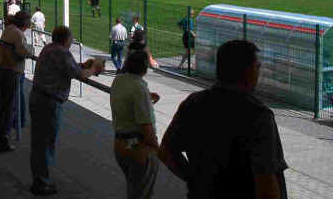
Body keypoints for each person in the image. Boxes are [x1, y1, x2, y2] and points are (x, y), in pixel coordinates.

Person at [159, 40, 288, 199]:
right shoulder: (258, 115)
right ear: (247, 71)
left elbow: (166, 150)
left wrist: (194, 180)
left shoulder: (193, 103)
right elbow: (267, 181)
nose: (259, 71)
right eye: (257, 66)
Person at [29, 26, 104, 195]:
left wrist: (83, 65)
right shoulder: (62, 52)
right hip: (49, 102)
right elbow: (81, 75)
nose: (72, 41)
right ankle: (42, 183)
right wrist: (94, 68)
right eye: (71, 38)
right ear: (66, 39)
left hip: (38, 97)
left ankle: (38, 179)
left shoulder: (49, 48)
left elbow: (68, 69)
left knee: (39, 142)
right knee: (46, 143)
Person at [110, 50, 161, 199]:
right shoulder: (139, 88)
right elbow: (146, 128)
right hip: (138, 146)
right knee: (141, 193)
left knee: (135, 189)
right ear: (144, 68)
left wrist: (147, 96)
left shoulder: (118, 80)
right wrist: (157, 149)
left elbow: (127, 99)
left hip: (121, 144)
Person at [0, 11, 36, 152]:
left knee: (4, 108)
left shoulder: (9, 29)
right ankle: (0, 141)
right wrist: (32, 49)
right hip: (10, 73)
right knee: (7, 109)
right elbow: (26, 52)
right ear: (25, 23)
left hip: (1, 70)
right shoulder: (18, 34)